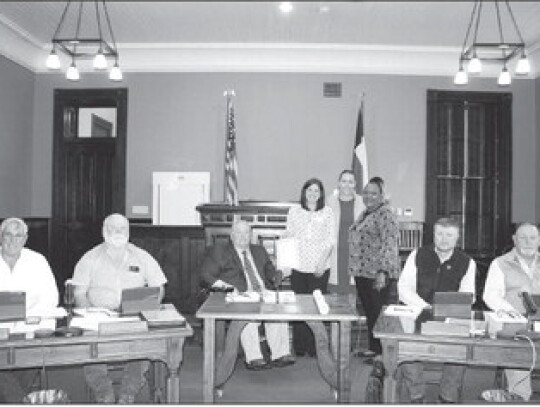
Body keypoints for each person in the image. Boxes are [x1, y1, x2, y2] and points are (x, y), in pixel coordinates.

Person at [72, 213, 167, 403]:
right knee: (91, 348)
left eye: (121, 229)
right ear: (103, 232)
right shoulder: (89, 258)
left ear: (128, 232)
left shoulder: (142, 256)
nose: (117, 233)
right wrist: (90, 316)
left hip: (134, 316)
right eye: (112, 229)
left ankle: (128, 394)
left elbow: (159, 288)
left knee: (142, 346)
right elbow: (79, 294)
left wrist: (148, 306)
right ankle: (104, 394)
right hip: (98, 317)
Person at [397, 217, 476, 403]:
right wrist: (424, 306)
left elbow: (468, 295)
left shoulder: (467, 262)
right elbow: (403, 288)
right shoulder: (417, 254)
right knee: (404, 345)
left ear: (457, 238)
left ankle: (447, 396)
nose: (444, 239)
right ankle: (417, 394)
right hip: (416, 312)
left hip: (450, 317)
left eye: (449, 235)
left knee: (461, 348)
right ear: (433, 234)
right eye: (439, 234)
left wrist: (447, 309)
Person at [199, 220, 295, 370]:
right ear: (232, 235)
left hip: (262, 293)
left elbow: (270, 272)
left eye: (246, 233)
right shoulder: (220, 250)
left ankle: (280, 354)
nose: (243, 237)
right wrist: (227, 288)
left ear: (251, 235)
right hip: (238, 296)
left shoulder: (259, 250)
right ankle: (254, 357)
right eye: (239, 233)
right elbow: (206, 275)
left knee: (277, 311)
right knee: (246, 313)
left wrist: (280, 273)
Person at [0, 218, 59, 403]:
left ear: (25, 239)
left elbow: (51, 298)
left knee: (32, 357)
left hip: (29, 329)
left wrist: (29, 318)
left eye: (18, 235)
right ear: (1, 237)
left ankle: (14, 401)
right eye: (8, 234)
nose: (12, 240)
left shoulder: (37, 261)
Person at [483, 222, 540, 402]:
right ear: (514, 239)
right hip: (514, 323)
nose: (528, 242)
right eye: (522, 237)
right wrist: (514, 313)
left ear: (539, 240)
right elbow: (490, 296)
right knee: (519, 346)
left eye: (532, 238)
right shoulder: (500, 263)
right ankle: (519, 396)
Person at [349, 176, 400, 358]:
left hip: (378, 274)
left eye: (373, 193)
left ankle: (383, 353)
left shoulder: (386, 214)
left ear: (381, 195)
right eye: (366, 193)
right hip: (363, 272)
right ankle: (374, 348)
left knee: (379, 314)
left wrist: (382, 272)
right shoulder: (365, 213)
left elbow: (390, 244)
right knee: (371, 313)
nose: (369, 196)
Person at [284, 178, 335, 356]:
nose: (313, 194)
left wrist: (321, 263)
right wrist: (287, 262)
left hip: (319, 267)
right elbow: (289, 236)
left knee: (316, 306)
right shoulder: (294, 211)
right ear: (304, 192)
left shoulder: (327, 212)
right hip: (298, 266)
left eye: (316, 191)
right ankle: (299, 347)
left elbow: (330, 240)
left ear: (321, 194)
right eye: (309, 190)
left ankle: (316, 347)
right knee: (299, 307)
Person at [326, 169, 365, 295]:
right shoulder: (329, 202)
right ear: (338, 183)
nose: (347, 185)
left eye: (350, 182)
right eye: (344, 181)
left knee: (353, 294)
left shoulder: (363, 202)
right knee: (334, 293)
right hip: (335, 252)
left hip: (355, 253)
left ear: (355, 184)